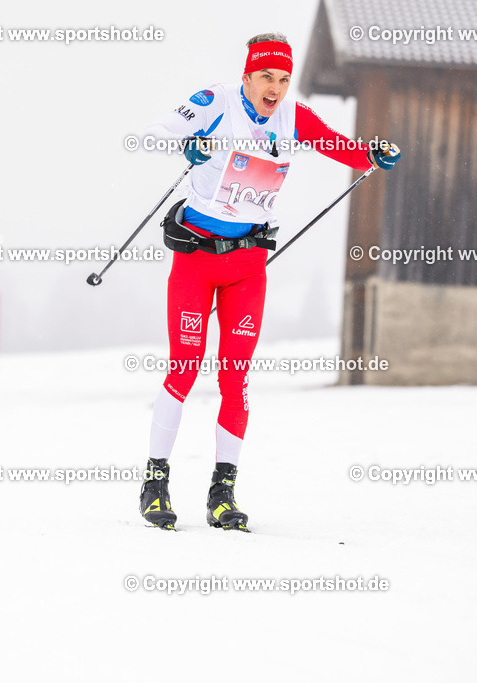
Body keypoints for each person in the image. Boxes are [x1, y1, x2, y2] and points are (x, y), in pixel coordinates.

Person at [137, 33, 401, 531]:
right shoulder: (215, 102)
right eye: (266, 77)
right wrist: (187, 145)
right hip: (195, 259)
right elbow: (151, 135)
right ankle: (155, 481)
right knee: (185, 369)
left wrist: (373, 155)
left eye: (283, 79)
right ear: (248, 76)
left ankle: (223, 492)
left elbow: (342, 149)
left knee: (235, 377)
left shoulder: (293, 117)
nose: (275, 88)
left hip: (246, 266)